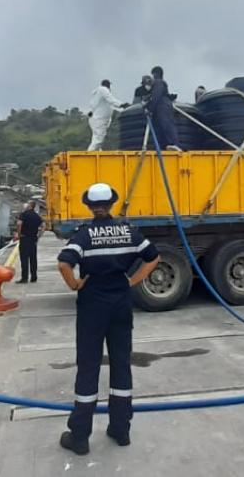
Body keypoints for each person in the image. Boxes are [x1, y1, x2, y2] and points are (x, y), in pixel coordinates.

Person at [56, 183, 160, 455]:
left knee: (89, 365)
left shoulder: (84, 235)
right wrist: (133, 280)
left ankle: (80, 436)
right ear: (112, 204)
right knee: (121, 363)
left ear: (89, 206)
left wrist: (75, 284)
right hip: (121, 303)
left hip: (93, 304)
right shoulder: (129, 231)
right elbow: (153, 257)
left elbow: (64, 262)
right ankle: (121, 428)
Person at [146, 66, 182, 151]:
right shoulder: (160, 83)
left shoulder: (159, 82)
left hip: (162, 105)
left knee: (166, 124)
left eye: (153, 75)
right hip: (160, 106)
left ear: (156, 74)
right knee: (161, 126)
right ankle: (165, 146)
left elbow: (156, 96)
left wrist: (150, 108)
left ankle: (174, 143)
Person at [86, 79, 128, 151]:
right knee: (98, 140)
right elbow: (111, 100)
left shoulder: (96, 93)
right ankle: (88, 156)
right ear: (108, 85)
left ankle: (97, 156)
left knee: (96, 139)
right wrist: (122, 104)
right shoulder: (103, 90)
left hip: (94, 119)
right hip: (99, 119)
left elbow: (107, 104)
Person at [13, 201, 44, 283]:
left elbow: (19, 224)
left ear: (30, 206)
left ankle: (24, 278)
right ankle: (34, 277)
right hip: (33, 239)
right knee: (33, 258)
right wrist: (39, 235)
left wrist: (19, 234)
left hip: (24, 238)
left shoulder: (24, 214)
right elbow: (43, 226)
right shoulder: (37, 216)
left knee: (24, 259)